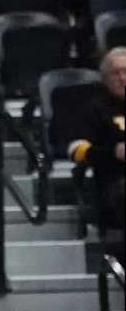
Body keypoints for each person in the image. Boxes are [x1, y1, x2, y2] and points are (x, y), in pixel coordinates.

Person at [65, 48, 125, 233]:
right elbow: (75, 150)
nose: (123, 79)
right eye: (116, 73)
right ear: (105, 78)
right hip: (114, 183)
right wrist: (113, 153)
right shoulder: (93, 108)